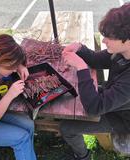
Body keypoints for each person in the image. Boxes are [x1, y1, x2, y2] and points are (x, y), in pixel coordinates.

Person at [60, 2, 130, 160]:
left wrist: (81, 67)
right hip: (112, 99)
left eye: (109, 37)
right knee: (72, 92)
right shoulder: (121, 52)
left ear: (128, 40)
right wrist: (80, 48)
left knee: (66, 127)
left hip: (122, 118)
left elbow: (94, 108)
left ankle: (82, 156)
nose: (104, 41)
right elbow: (97, 60)